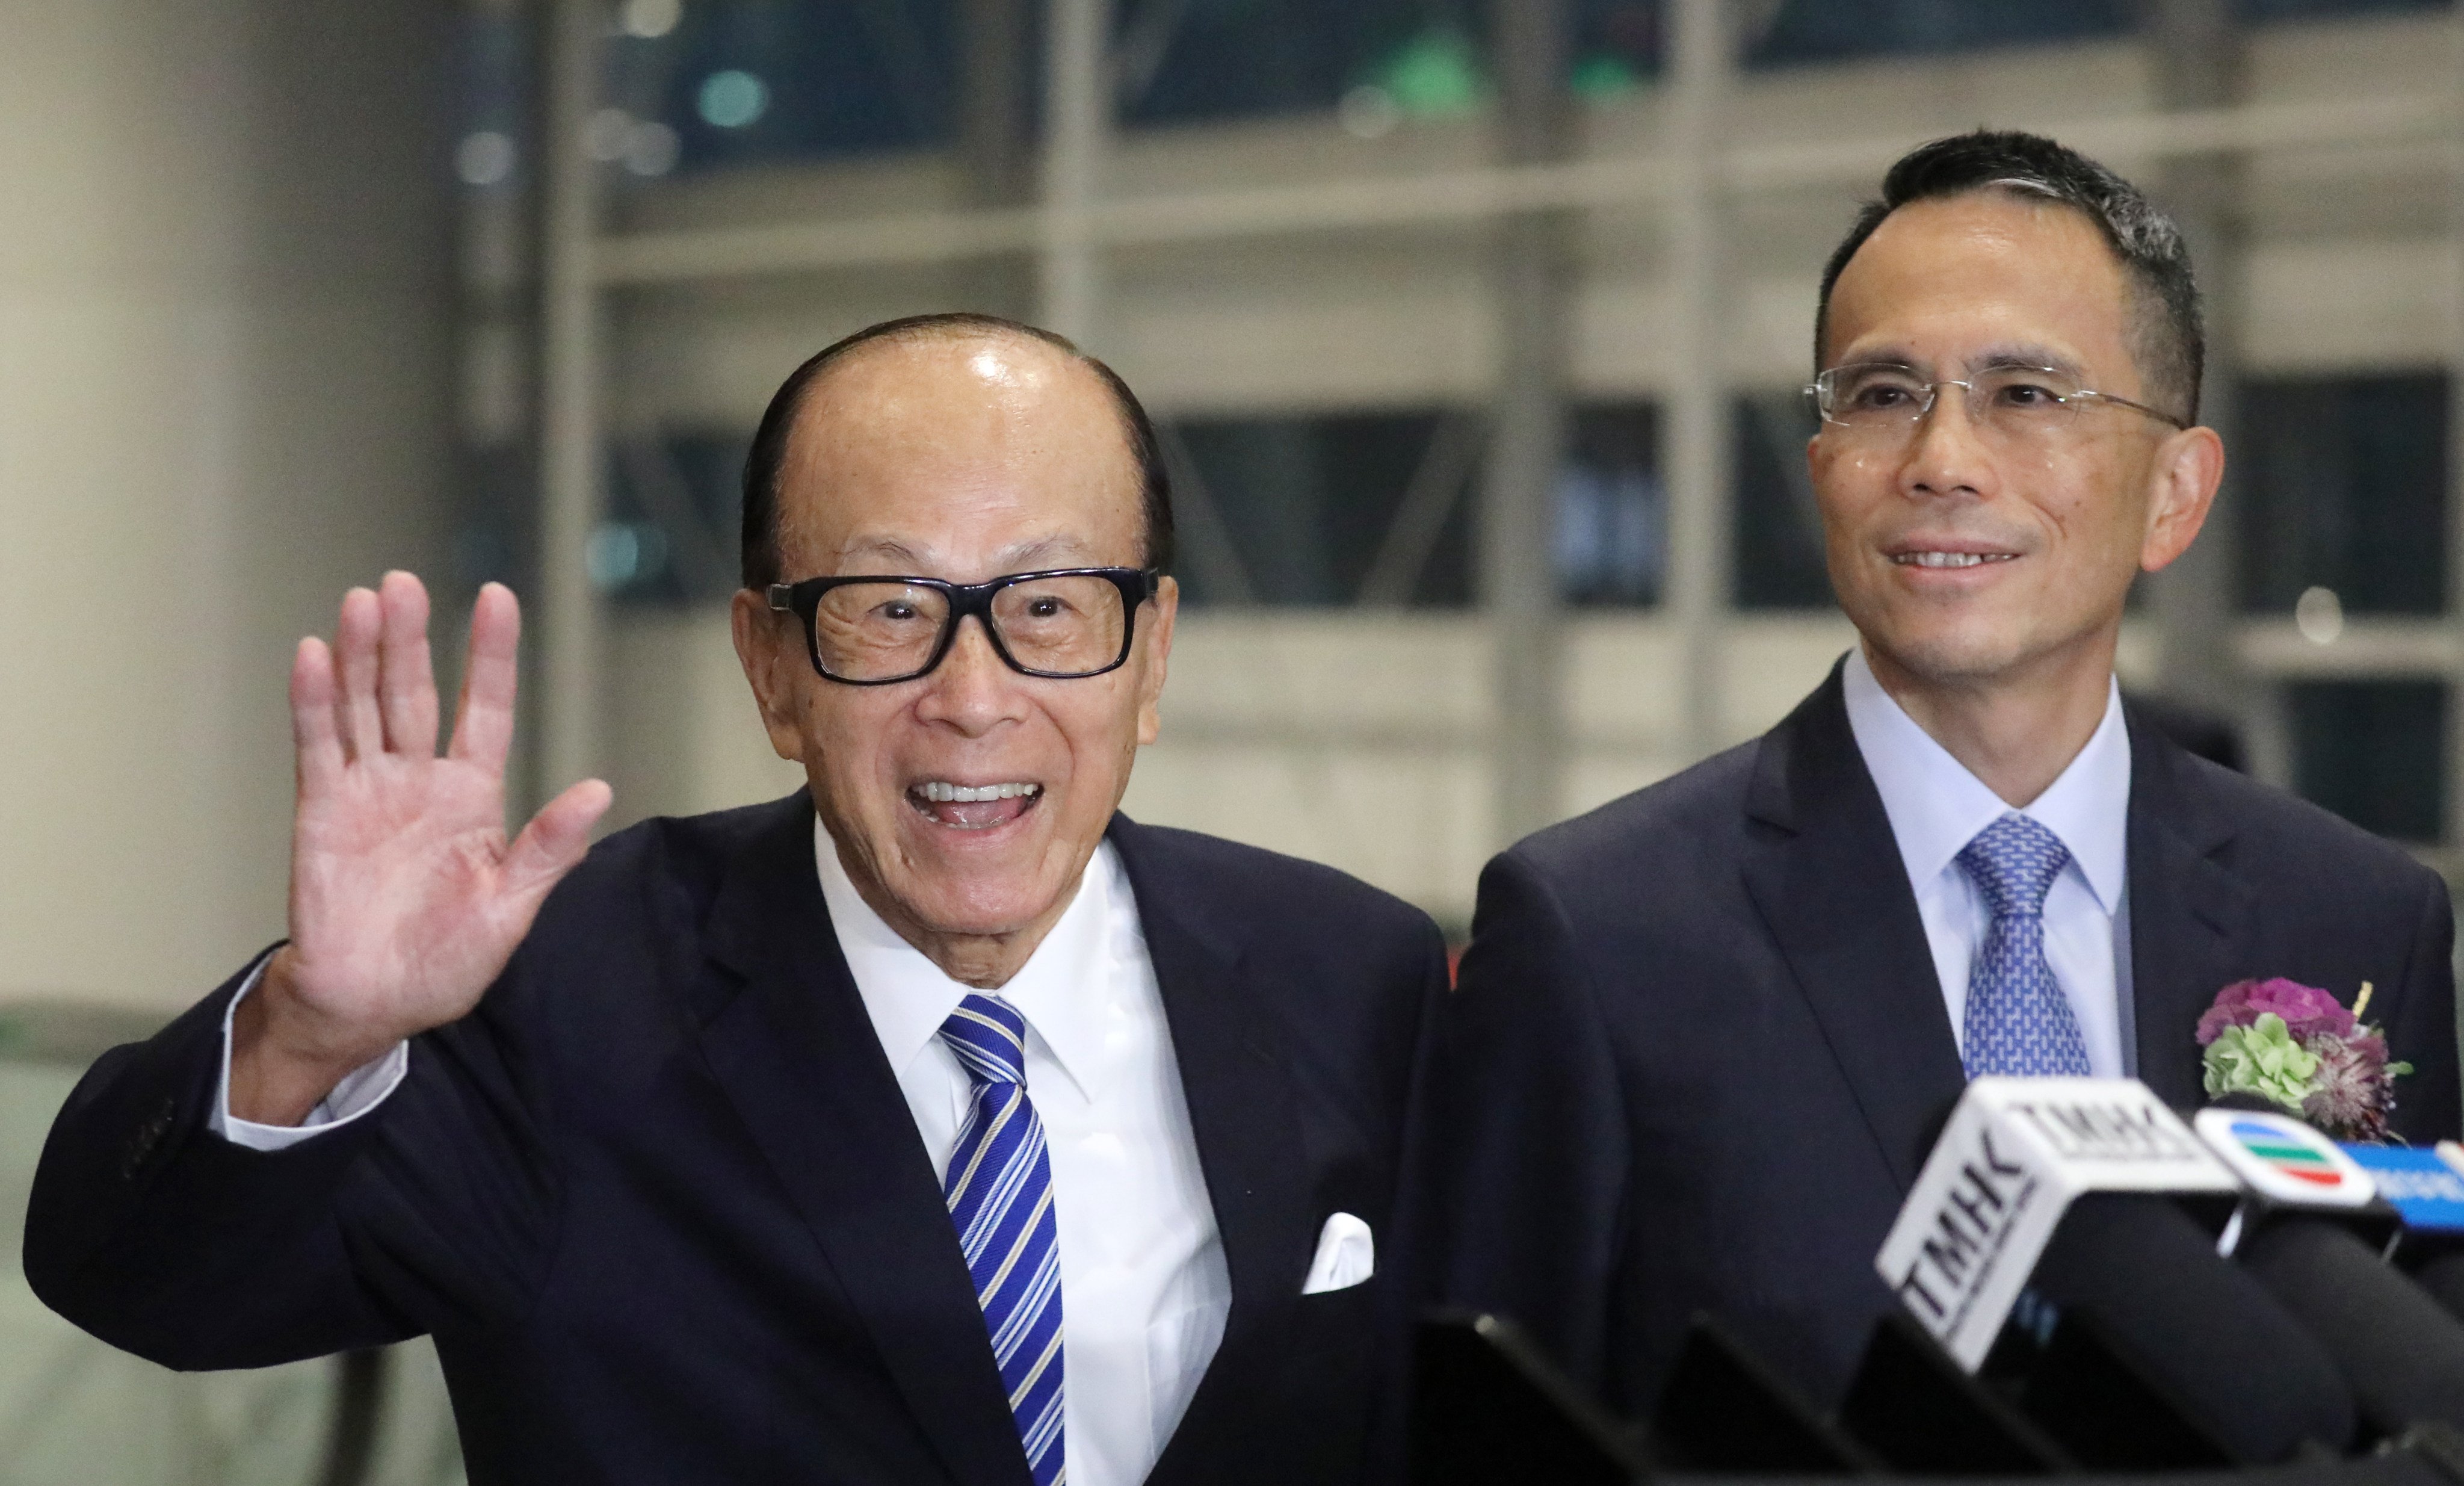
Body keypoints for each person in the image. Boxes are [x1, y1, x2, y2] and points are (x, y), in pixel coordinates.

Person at [28, 314, 1447, 1486]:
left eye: (1049, 604)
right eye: (886, 609)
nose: (971, 697)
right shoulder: (555, 996)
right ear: (769, 665)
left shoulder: (1351, 974)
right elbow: (146, 1284)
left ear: (1148, 654)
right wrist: (306, 1029)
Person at [1419, 131, 2462, 1413]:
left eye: (2024, 394)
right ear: (1821, 475)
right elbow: (1484, 1432)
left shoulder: (2355, 919)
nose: (1941, 460)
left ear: (2173, 496)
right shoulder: (1597, 936)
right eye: (1877, 395)